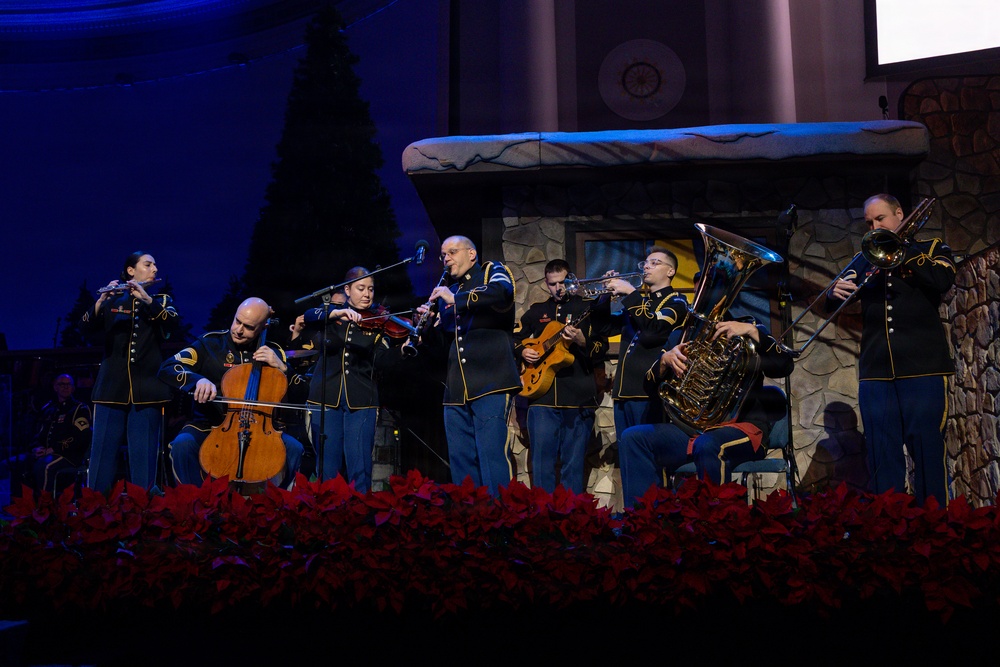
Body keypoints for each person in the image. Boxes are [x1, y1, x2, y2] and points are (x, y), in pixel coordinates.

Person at [827, 193, 956, 506]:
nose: (873, 227)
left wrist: (903, 250)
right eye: (869, 222)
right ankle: (889, 530)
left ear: (900, 214)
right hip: (877, 371)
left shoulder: (932, 249)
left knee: (926, 450)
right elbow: (843, 290)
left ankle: (935, 528)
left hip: (924, 368)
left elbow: (942, 279)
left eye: (880, 219)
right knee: (883, 455)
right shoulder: (867, 256)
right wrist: (835, 291)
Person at [617, 315, 795, 507]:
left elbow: (784, 365)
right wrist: (664, 362)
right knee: (633, 438)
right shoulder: (683, 334)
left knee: (708, 444)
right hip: (694, 429)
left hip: (742, 428)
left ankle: (714, 527)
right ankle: (643, 524)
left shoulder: (745, 330)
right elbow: (650, 386)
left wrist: (754, 331)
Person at [412, 235, 521, 495]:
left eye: (452, 252)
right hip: (456, 390)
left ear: (471, 254)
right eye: (443, 255)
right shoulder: (450, 294)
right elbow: (445, 347)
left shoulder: (491, 271)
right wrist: (425, 328)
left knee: (492, 456)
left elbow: (501, 292)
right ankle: (469, 523)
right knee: (461, 462)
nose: (446, 259)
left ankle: (500, 527)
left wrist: (454, 300)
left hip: (491, 382)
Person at [157, 297, 303, 489]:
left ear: (263, 327)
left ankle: (276, 509)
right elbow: (167, 367)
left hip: (260, 430)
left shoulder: (274, 352)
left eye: (249, 327)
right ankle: (194, 505)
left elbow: (302, 394)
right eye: (237, 321)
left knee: (294, 448)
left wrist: (283, 367)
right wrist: (197, 380)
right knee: (182, 445)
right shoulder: (209, 344)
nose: (239, 330)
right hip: (211, 425)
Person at [81, 251, 178, 494]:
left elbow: (171, 326)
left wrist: (146, 299)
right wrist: (101, 301)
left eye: (155, 264)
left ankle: (144, 513)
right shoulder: (112, 300)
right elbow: (84, 328)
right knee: (102, 453)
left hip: (148, 390)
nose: (155, 269)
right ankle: (94, 512)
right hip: (111, 388)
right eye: (148, 264)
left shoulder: (161, 301)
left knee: (143, 456)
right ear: (130, 271)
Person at [301, 267, 404, 492]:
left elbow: (383, 360)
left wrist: (403, 350)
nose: (367, 294)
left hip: (362, 399)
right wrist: (335, 313)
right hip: (325, 396)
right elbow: (308, 317)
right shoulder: (331, 315)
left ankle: (359, 520)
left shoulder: (377, 321)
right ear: (347, 290)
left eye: (371, 289)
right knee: (327, 468)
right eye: (360, 288)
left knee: (360, 468)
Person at [513, 259, 607, 493]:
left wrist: (581, 340)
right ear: (546, 284)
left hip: (578, 397)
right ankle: (542, 519)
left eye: (563, 282)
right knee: (542, 464)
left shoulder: (586, 308)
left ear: (571, 280)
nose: (559, 288)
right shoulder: (536, 311)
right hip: (541, 398)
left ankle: (572, 519)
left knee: (573, 466)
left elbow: (601, 346)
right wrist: (523, 351)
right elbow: (514, 339)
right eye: (553, 283)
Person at [594, 246, 689, 439]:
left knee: (648, 459)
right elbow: (603, 328)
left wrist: (630, 292)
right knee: (627, 457)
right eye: (645, 263)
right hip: (623, 393)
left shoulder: (677, 302)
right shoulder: (639, 303)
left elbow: (653, 329)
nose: (647, 267)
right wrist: (604, 296)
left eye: (655, 263)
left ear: (670, 271)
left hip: (650, 394)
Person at [24, 374, 92, 495]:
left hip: (69, 455)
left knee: (44, 466)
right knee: (18, 463)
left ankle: (45, 509)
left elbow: (81, 438)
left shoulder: (79, 409)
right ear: (55, 387)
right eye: (62, 384)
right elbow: (38, 433)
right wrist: (36, 448)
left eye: (68, 384)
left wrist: (53, 449)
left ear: (73, 388)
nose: (65, 387)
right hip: (47, 452)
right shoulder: (49, 408)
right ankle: (23, 508)